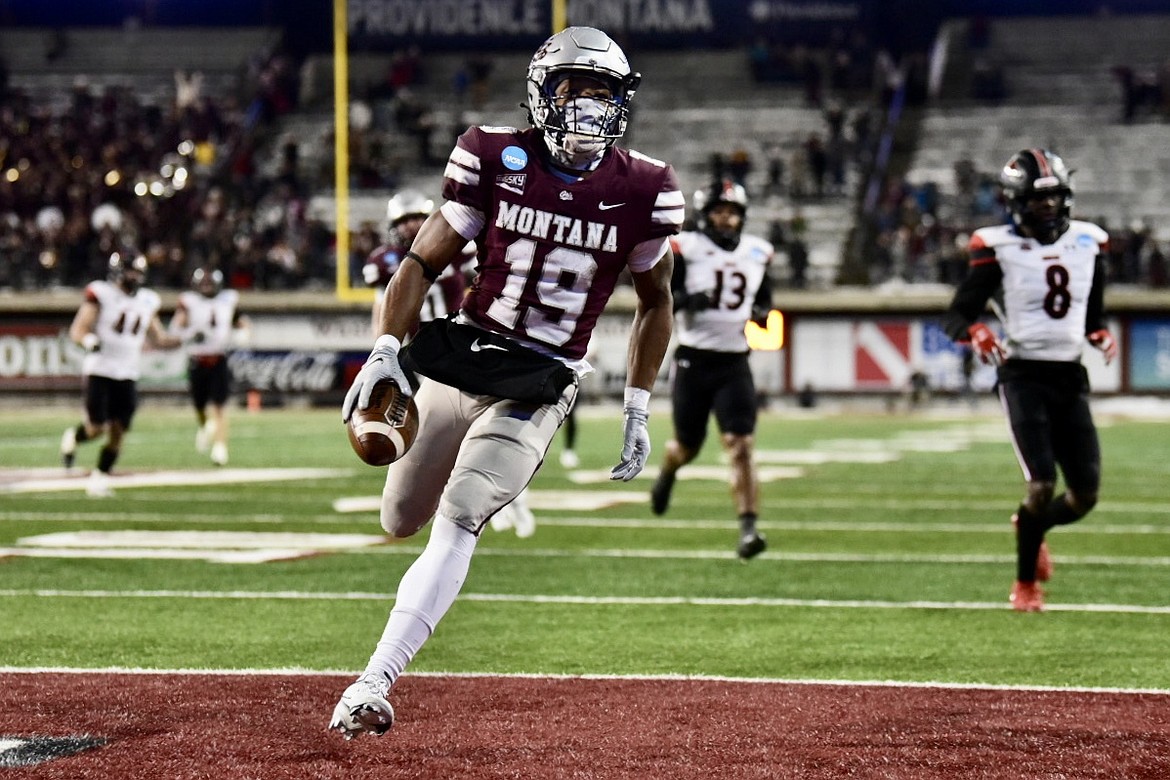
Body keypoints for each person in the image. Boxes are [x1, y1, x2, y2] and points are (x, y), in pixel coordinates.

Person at [331, 26, 682, 739]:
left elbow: (656, 302)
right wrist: (386, 350)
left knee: (461, 513)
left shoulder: (644, 187)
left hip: (538, 379)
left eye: (604, 94)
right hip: (464, 357)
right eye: (574, 91)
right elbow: (421, 262)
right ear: (541, 94)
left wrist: (638, 405)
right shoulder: (495, 154)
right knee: (398, 519)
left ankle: (374, 680)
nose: (589, 107)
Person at [943, 148, 1117, 613]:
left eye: (1055, 198)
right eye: (1038, 200)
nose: (1048, 208)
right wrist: (975, 329)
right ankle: (1025, 585)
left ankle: (1031, 526)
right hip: (1022, 375)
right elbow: (957, 313)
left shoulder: (1087, 241)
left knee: (1084, 497)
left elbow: (1092, 304)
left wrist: (1097, 329)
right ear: (1015, 201)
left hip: (1068, 374)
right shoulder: (996, 246)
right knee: (1041, 485)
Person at [648, 181, 775, 560]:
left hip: (735, 360)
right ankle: (668, 471)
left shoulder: (758, 252)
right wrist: (689, 299)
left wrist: (762, 312)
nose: (726, 217)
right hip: (694, 359)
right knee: (685, 447)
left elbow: (765, 297)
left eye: (732, 211)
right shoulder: (685, 247)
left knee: (741, 445)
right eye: (719, 211)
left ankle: (749, 530)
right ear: (706, 215)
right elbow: (658, 296)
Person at [60, 251, 181, 497]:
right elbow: (78, 329)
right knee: (96, 428)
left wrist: (184, 340)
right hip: (101, 369)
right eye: (130, 270)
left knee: (119, 430)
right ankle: (74, 435)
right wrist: (89, 340)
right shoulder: (101, 294)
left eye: (137, 271)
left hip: (127, 372)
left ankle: (100, 477)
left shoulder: (147, 300)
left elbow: (158, 338)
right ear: (117, 270)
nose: (134, 276)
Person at [361, 189, 474, 338]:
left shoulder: (452, 246)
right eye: (405, 221)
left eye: (416, 218)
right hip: (416, 344)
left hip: (457, 337)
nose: (411, 225)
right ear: (394, 226)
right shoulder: (385, 260)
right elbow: (381, 307)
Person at [168, 266, 250, 466]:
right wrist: (190, 334)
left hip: (218, 358)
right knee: (199, 406)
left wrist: (244, 335)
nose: (206, 287)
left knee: (220, 406)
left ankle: (220, 448)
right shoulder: (189, 302)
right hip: (197, 359)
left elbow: (243, 323)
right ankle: (205, 426)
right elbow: (174, 329)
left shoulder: (228, 300)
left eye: (209, 284)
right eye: (203, 284)